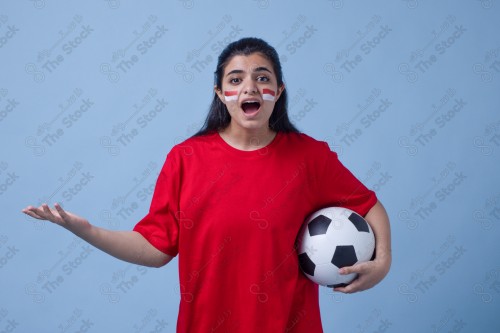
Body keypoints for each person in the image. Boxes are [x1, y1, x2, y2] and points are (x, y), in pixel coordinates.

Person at [22, 37, 391, 332]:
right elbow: (156, 248)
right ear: (220, 93)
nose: (250, 86)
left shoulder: (309, 157)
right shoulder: (186, 159)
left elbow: (368, 205)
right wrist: (87, 230)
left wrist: (383, 262)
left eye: (262, 78)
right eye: (236, 79)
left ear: (277, 92)